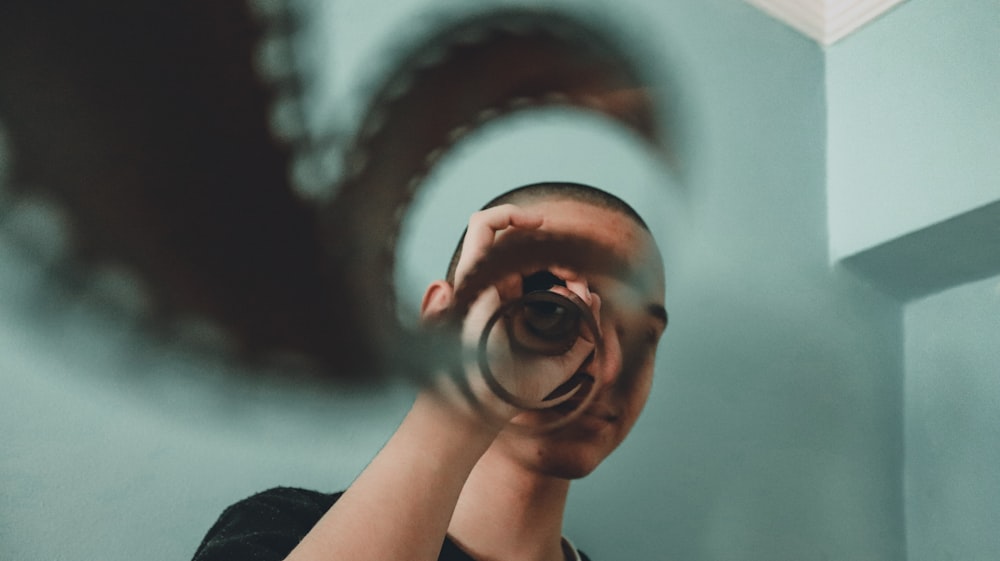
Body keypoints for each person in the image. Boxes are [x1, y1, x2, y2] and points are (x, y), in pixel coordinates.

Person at [192, 182, 668, 561]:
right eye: (553, 312)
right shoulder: (284, 533)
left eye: (641, 337)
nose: (608, 372)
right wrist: (462, 395)